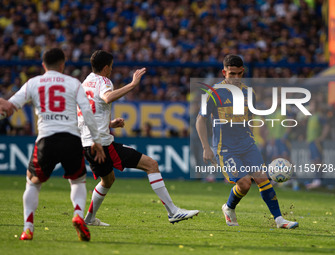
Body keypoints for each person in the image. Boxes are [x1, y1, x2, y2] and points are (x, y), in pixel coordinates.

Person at [78, 50, 199, 226]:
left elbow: (86, 113)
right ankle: (173, 211)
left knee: (108, 180)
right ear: (105, 67)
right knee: (151, 165)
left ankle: (89, 218)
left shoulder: (84, 84)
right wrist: (133, 84)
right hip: (102, 144)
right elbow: (107, 97)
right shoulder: (104, 81)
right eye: (111, 67)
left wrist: (110, 123)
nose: (111, 70)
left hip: (87, 144)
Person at [1, 48, 106, 241]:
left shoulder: (33, 83)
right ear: (62, 64)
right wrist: (97, 142)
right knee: (77, 181)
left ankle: (28, 228)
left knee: (32, 182)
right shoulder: (73, 83)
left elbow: (9, 107)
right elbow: (87, 113)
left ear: (43, 65)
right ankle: (77, 214)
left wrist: (4, 107)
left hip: (46, 139)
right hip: (72, 139)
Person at [196, 54, 298, 229]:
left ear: (243, 72)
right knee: (244, 184)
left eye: (239, 74)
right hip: (225, 147)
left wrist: (256, 138)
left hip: (247, 144)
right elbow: (200, 120)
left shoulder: (249, 93)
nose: (235, 78)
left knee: (262, 179)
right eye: (231, 74)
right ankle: (228, 208)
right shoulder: (212, 93)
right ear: (224, 73)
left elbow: (249, 119)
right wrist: (206, 147)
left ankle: (280, 220)